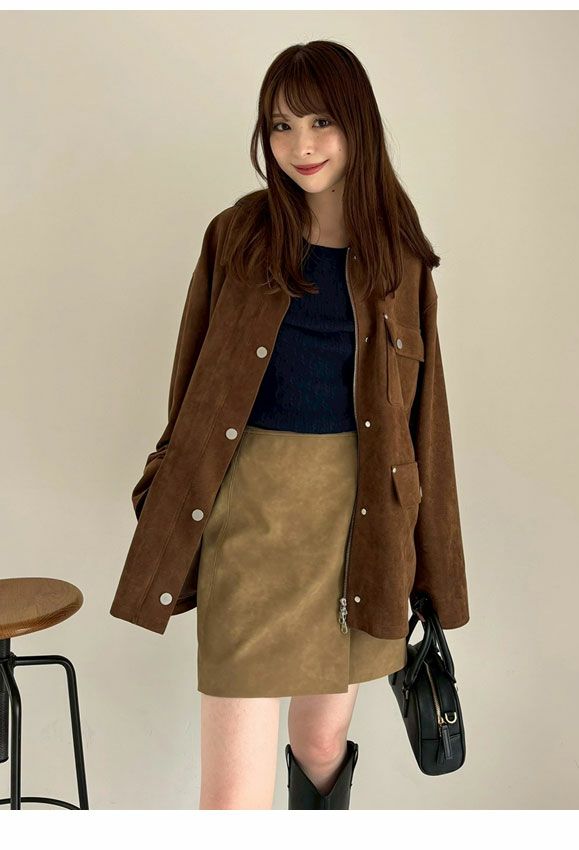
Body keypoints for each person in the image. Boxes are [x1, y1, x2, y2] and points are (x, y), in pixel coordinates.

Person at [114, 38, 470, 810]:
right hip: (252, 520)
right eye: (280, 126)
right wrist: (163, 487)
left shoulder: (401, 256)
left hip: (363, 529)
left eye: (319, 122)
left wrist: (434, 568)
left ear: (357, 125)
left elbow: (426, 423)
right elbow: (191, 388)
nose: (300, 145)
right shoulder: (237, 236)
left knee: (320, 746)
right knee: (232, 796)